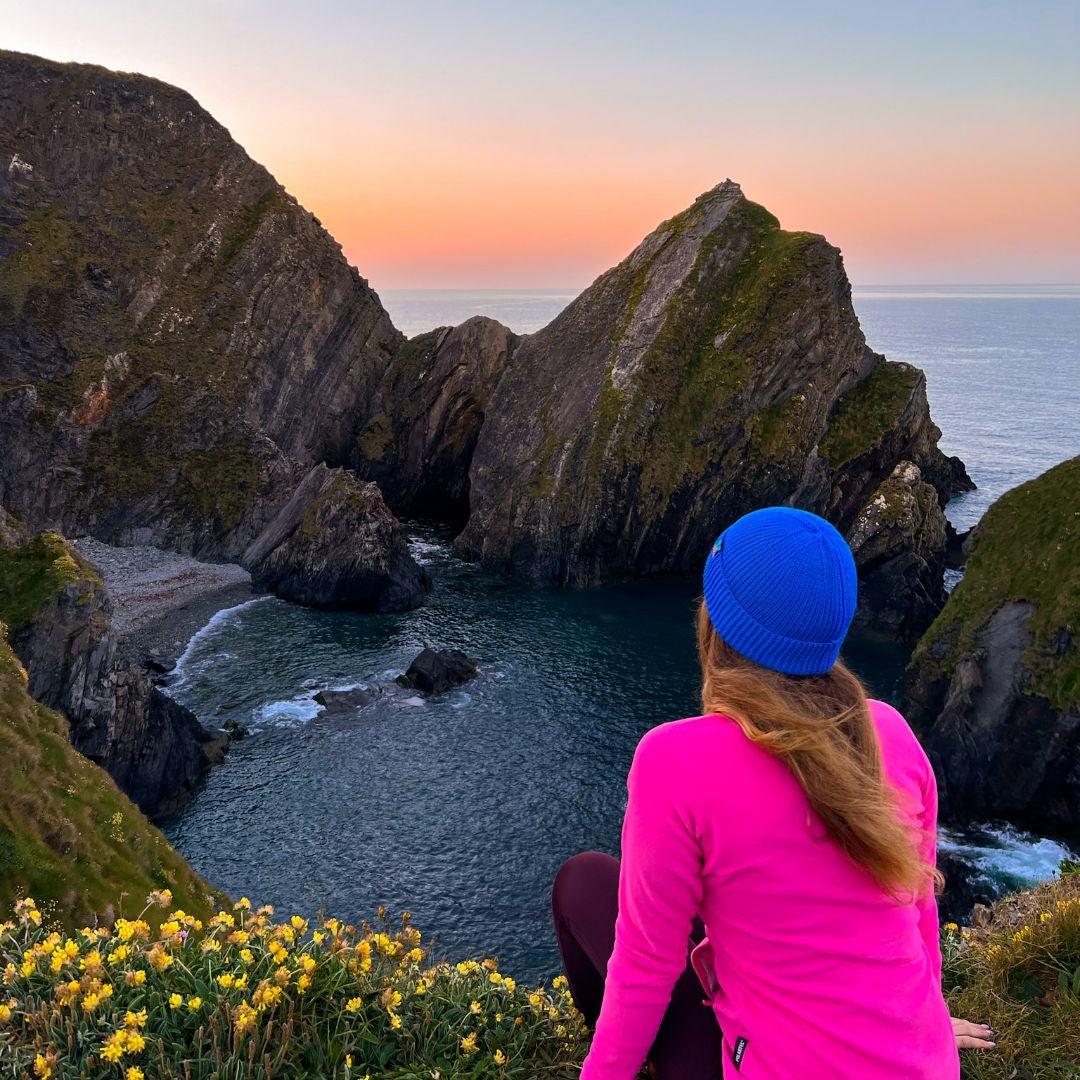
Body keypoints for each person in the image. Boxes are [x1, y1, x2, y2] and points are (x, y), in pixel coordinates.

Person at [551, 507, 994, 1079]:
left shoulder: (674, 761)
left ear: (715, 625)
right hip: (919, 1061)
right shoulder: (890, 733)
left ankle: (607, 1055)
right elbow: (919, 912)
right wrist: (924, 1022)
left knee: (583, 881)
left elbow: (645, 964)